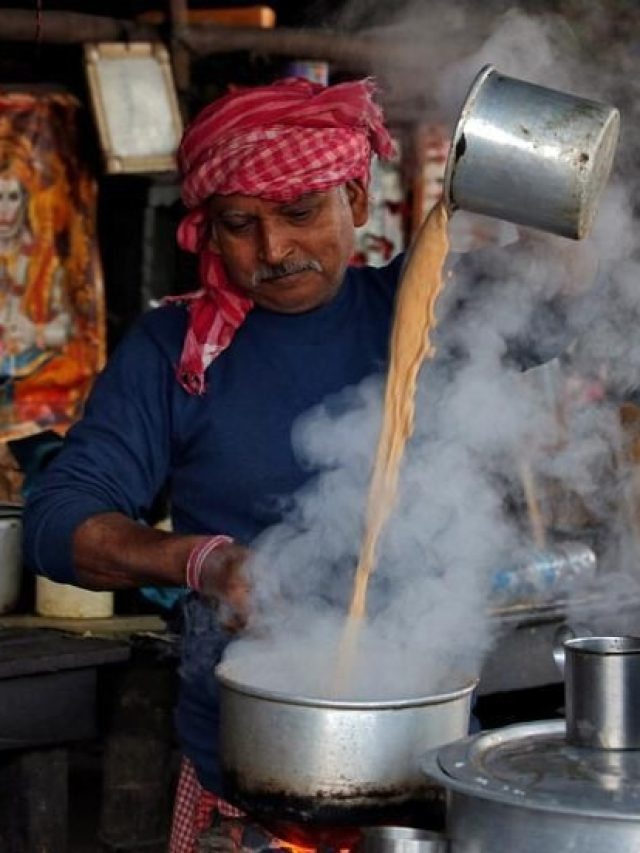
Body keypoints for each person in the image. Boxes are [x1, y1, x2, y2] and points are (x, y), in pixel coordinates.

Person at [23, 76, 401, 853]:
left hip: (418, 752)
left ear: (357, 200)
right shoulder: (176, 350)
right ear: (209, 227)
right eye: (240, 223)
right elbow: (58, 519)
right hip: (246, 769)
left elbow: (577, 295)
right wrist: (202, 560)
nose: (273, 249)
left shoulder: (419, 309)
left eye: (300, 212)